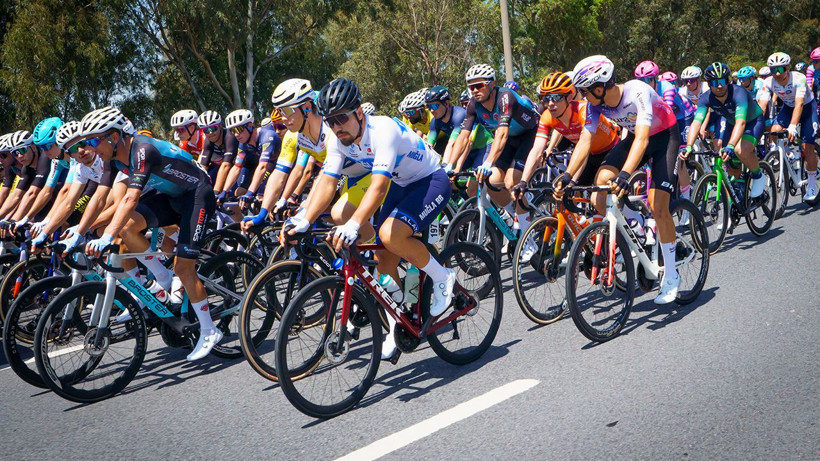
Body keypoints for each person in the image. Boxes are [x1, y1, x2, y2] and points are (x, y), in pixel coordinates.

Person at [285, 77, 453, 360]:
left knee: (389, 235)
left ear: (359, 112)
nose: (337, 126)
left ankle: (442, 276)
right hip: (402, 184)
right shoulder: (338, 139)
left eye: (342, 118)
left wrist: (352, 224)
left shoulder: (383, 130)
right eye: (331, 121)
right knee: (383, 259)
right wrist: (305, 219)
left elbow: (378, 187)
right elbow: (328, 181)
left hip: (430, 180)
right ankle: (398, 323)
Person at [80, 106, 221, 361]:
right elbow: (102, 196)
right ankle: (161, 276)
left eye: (93, 141)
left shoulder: (143, 150)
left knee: (184, 268)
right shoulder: (112, 158)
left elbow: (131, 198)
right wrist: (79, 230)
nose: (90, 148)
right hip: (171, 196)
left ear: (113, 136)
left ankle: (210, 330)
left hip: (197, 195)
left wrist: (106, 236)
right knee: (127, 228)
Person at [570, 55, 682, 304]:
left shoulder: (637, 91)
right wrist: (568, 176)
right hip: (635, 138)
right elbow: (585, 141)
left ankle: (672, 275)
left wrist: (625, 175)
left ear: (599, 88)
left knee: (658, 206)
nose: (583, 97)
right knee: (599, 192)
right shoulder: (595, 105)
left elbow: (643, 139)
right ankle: (636, 223)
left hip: (664, 138)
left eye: (584, 91)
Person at [452, 63, 540, 235]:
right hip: (510, 139)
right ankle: (517, 213)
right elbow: (463, 136)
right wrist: (450, 164)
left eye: (479, 85)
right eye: (471, 87)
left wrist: (488, 162)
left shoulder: (505, 97)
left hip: (529, 135)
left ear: (492, 84)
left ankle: (528, 236)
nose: (474, 90)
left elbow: (501, 134)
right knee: (492, 181)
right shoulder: (473, 105)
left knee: (511, 182)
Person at [680, 62, 766, 202]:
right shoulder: (705, 98)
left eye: (722, 81)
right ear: (709, 84)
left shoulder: (739, 92)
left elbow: (741, 122)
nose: (719, 86)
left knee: (739, 150)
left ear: (728, 81)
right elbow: (696, 123)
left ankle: (758, 175)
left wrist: (731, 145)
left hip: (753, 121)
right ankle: (739, 188)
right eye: (715, 82)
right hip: (732, 123)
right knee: (726, 157)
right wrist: (689, 146)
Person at [756, 52, 819, 201]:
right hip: (788, 108)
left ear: (788, 68)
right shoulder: (768, 82)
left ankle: (811, 184)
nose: (777, 73)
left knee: (807, 147)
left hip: (807, 108)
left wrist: (792, 126)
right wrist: (755, 125)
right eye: (773, 70)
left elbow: (799, 104)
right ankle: (788, 154)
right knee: (774, 131)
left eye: (781, 69)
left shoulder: (799, 78)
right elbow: (762, 106)